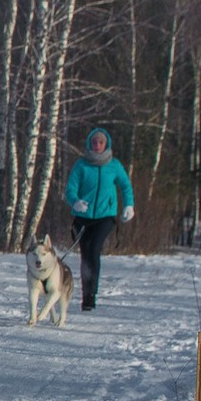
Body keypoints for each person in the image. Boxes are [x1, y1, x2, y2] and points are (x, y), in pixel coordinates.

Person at [63, 127, 134, 312]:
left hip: (105, 216)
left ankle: (92, 295)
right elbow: (70, 189)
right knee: (86, 254)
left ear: (106, 144)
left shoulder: (114, 165)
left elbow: (126, 186)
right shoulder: (81, 165)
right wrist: (75, 202)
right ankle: (86, 296)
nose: (97, 145)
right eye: (94, 142)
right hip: (83, 218)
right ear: (89, 144)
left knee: (94, 249)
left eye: (101, 142)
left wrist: (129, 205)